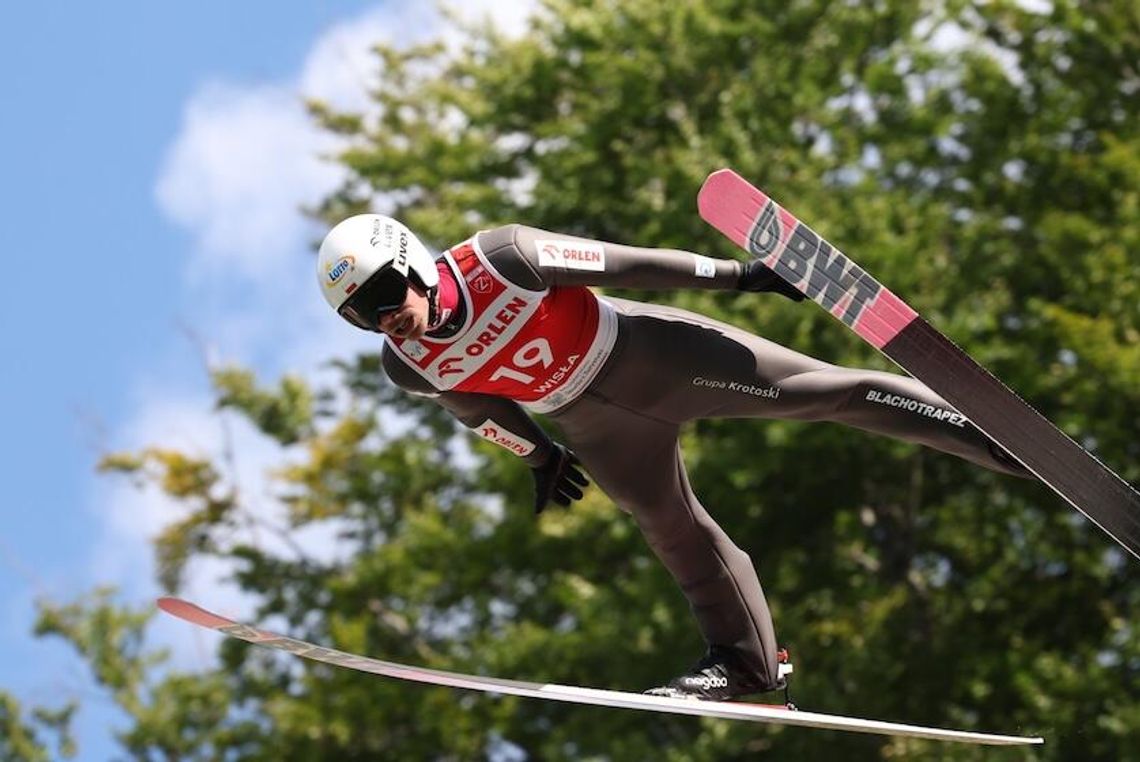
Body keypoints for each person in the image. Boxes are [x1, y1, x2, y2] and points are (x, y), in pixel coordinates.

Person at [316, 214, 1028, 701]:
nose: (384, 317)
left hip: (652, 356)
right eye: (360, 314)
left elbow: (631, 264)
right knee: (671, 529)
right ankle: (748, 667)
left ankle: (999, 440)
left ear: (412, 262)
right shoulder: (408, 364)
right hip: (595, 426)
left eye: (383, 293)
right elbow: (475, 409)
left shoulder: (502, 259)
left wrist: (739, 276)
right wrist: (536, 456)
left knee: (823, 393)